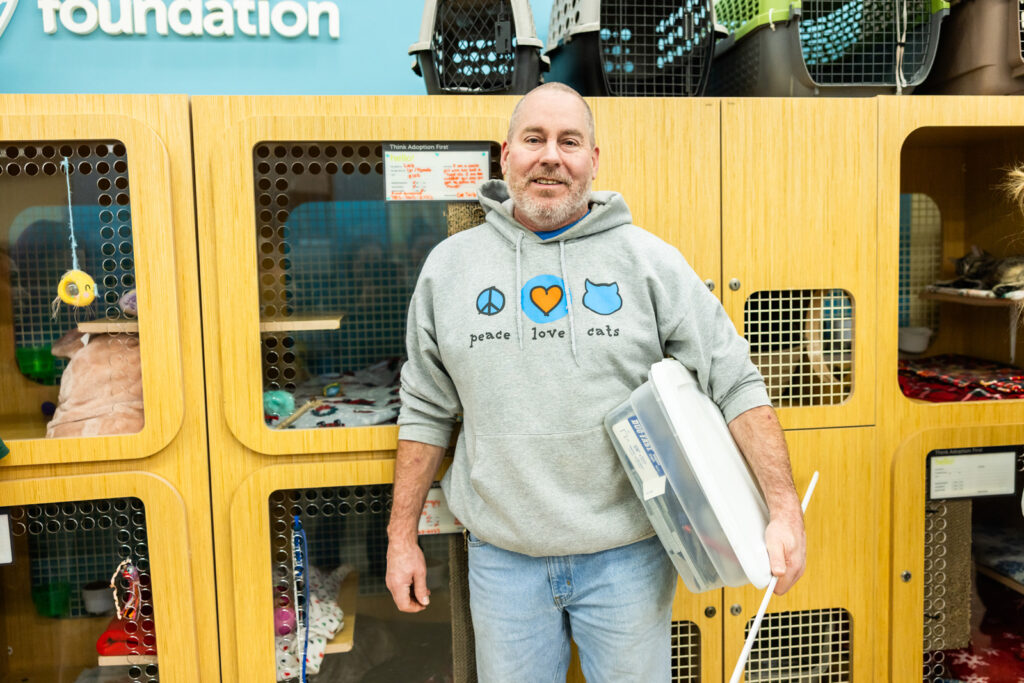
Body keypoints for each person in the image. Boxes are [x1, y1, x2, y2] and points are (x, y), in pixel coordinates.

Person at [386, 82, 806, 682]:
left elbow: (734, 380)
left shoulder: (650, 262)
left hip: (629, 559)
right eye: (534, 139)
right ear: (506, 155)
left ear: (593, 159)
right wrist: (402, 537)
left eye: (569, 141)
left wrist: (783, 508)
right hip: (503, 562)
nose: (551, 156)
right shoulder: (449, 270)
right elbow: (426, 410)